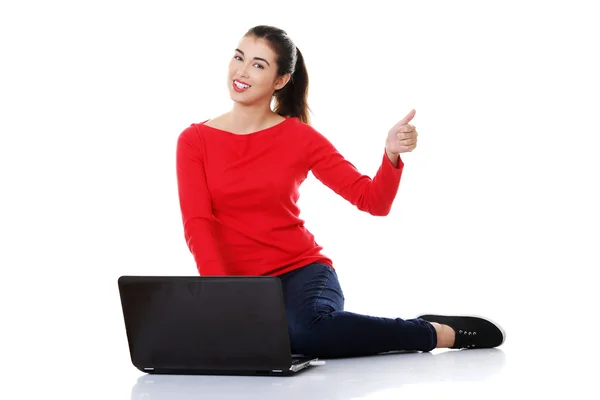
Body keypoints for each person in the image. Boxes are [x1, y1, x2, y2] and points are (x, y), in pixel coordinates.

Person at [175, 25, 505, 358]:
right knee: (220, 341)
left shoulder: (299, 138)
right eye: (238, 57)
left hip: (300, 273)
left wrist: (391, 154)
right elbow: (197, 224)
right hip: (238, 284)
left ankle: (433, 333)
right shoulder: (194, 140)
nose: (241, 71)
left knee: (304, 332)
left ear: (280, 80)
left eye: (258, 65)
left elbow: (373, 201)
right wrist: (223, 295)